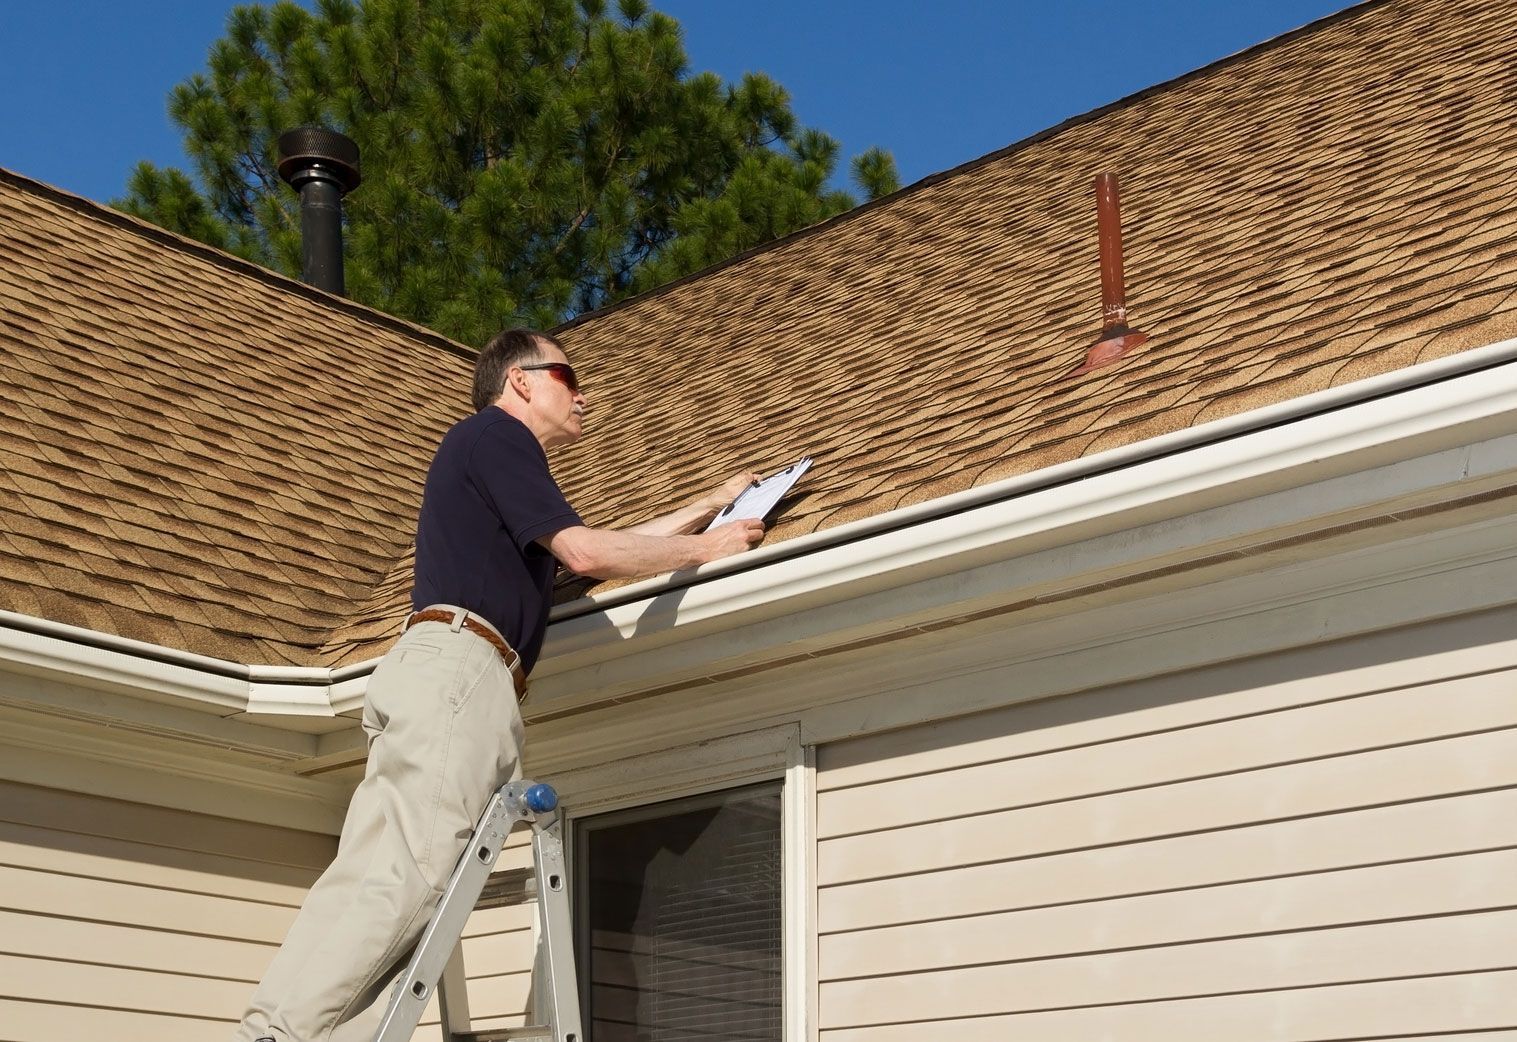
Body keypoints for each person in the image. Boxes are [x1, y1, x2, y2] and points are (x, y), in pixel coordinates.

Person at [237, 328, 765, 1042]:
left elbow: (589, 555)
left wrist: (712, 505)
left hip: (440, 670)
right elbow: (584, 546)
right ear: (518, 381)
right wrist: (714, 546)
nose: (584, 394)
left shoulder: (487, 469)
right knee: (414, 875)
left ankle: (286, 1027)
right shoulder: (496, 436)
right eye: (567, 376)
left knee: (382, 875)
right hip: (462, 671)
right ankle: (279, 1035)